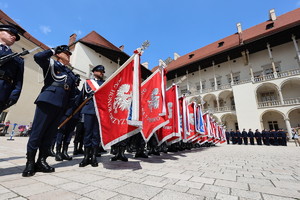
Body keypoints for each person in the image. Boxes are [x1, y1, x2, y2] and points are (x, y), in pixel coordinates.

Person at [22, 45, 77, 177]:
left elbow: (72, 94)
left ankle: (42, 161)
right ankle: (30, 162)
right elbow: (37, 57)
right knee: (38, 132)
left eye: (69, 54)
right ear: (58, 54)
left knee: (50, 134)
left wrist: (67, 110)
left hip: (61, 106)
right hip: (47, 101)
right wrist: (53, 50)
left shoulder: (70, 73)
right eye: (66, 53)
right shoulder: (51, 64)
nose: (68, 55)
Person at [77, 65, 105, 167]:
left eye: (102, 72)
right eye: (99, 71)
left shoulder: (104, 84)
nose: (101, 73)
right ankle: (86, 157)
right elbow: (81, 97)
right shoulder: (88, 83)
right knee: (87, 133)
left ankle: (93, 157)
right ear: (94, 72)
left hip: (99, 112)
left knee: (96, 134)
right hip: (88, 110)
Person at [55, 74, 81, 161]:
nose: (77, 82)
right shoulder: (67, 89)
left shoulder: (79, 92)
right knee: (61, 133)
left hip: (74, 115)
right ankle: (58, 152)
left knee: (69, 134)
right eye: (76, 80)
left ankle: (64, 151)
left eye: (78, 81)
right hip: (65, 114)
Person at [0, 25, 24, 114]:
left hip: (2, 92)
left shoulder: (17, 59)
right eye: (10, 33)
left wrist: (13, 97)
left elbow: (18, 82)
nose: (13, 36)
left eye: (15, 36)